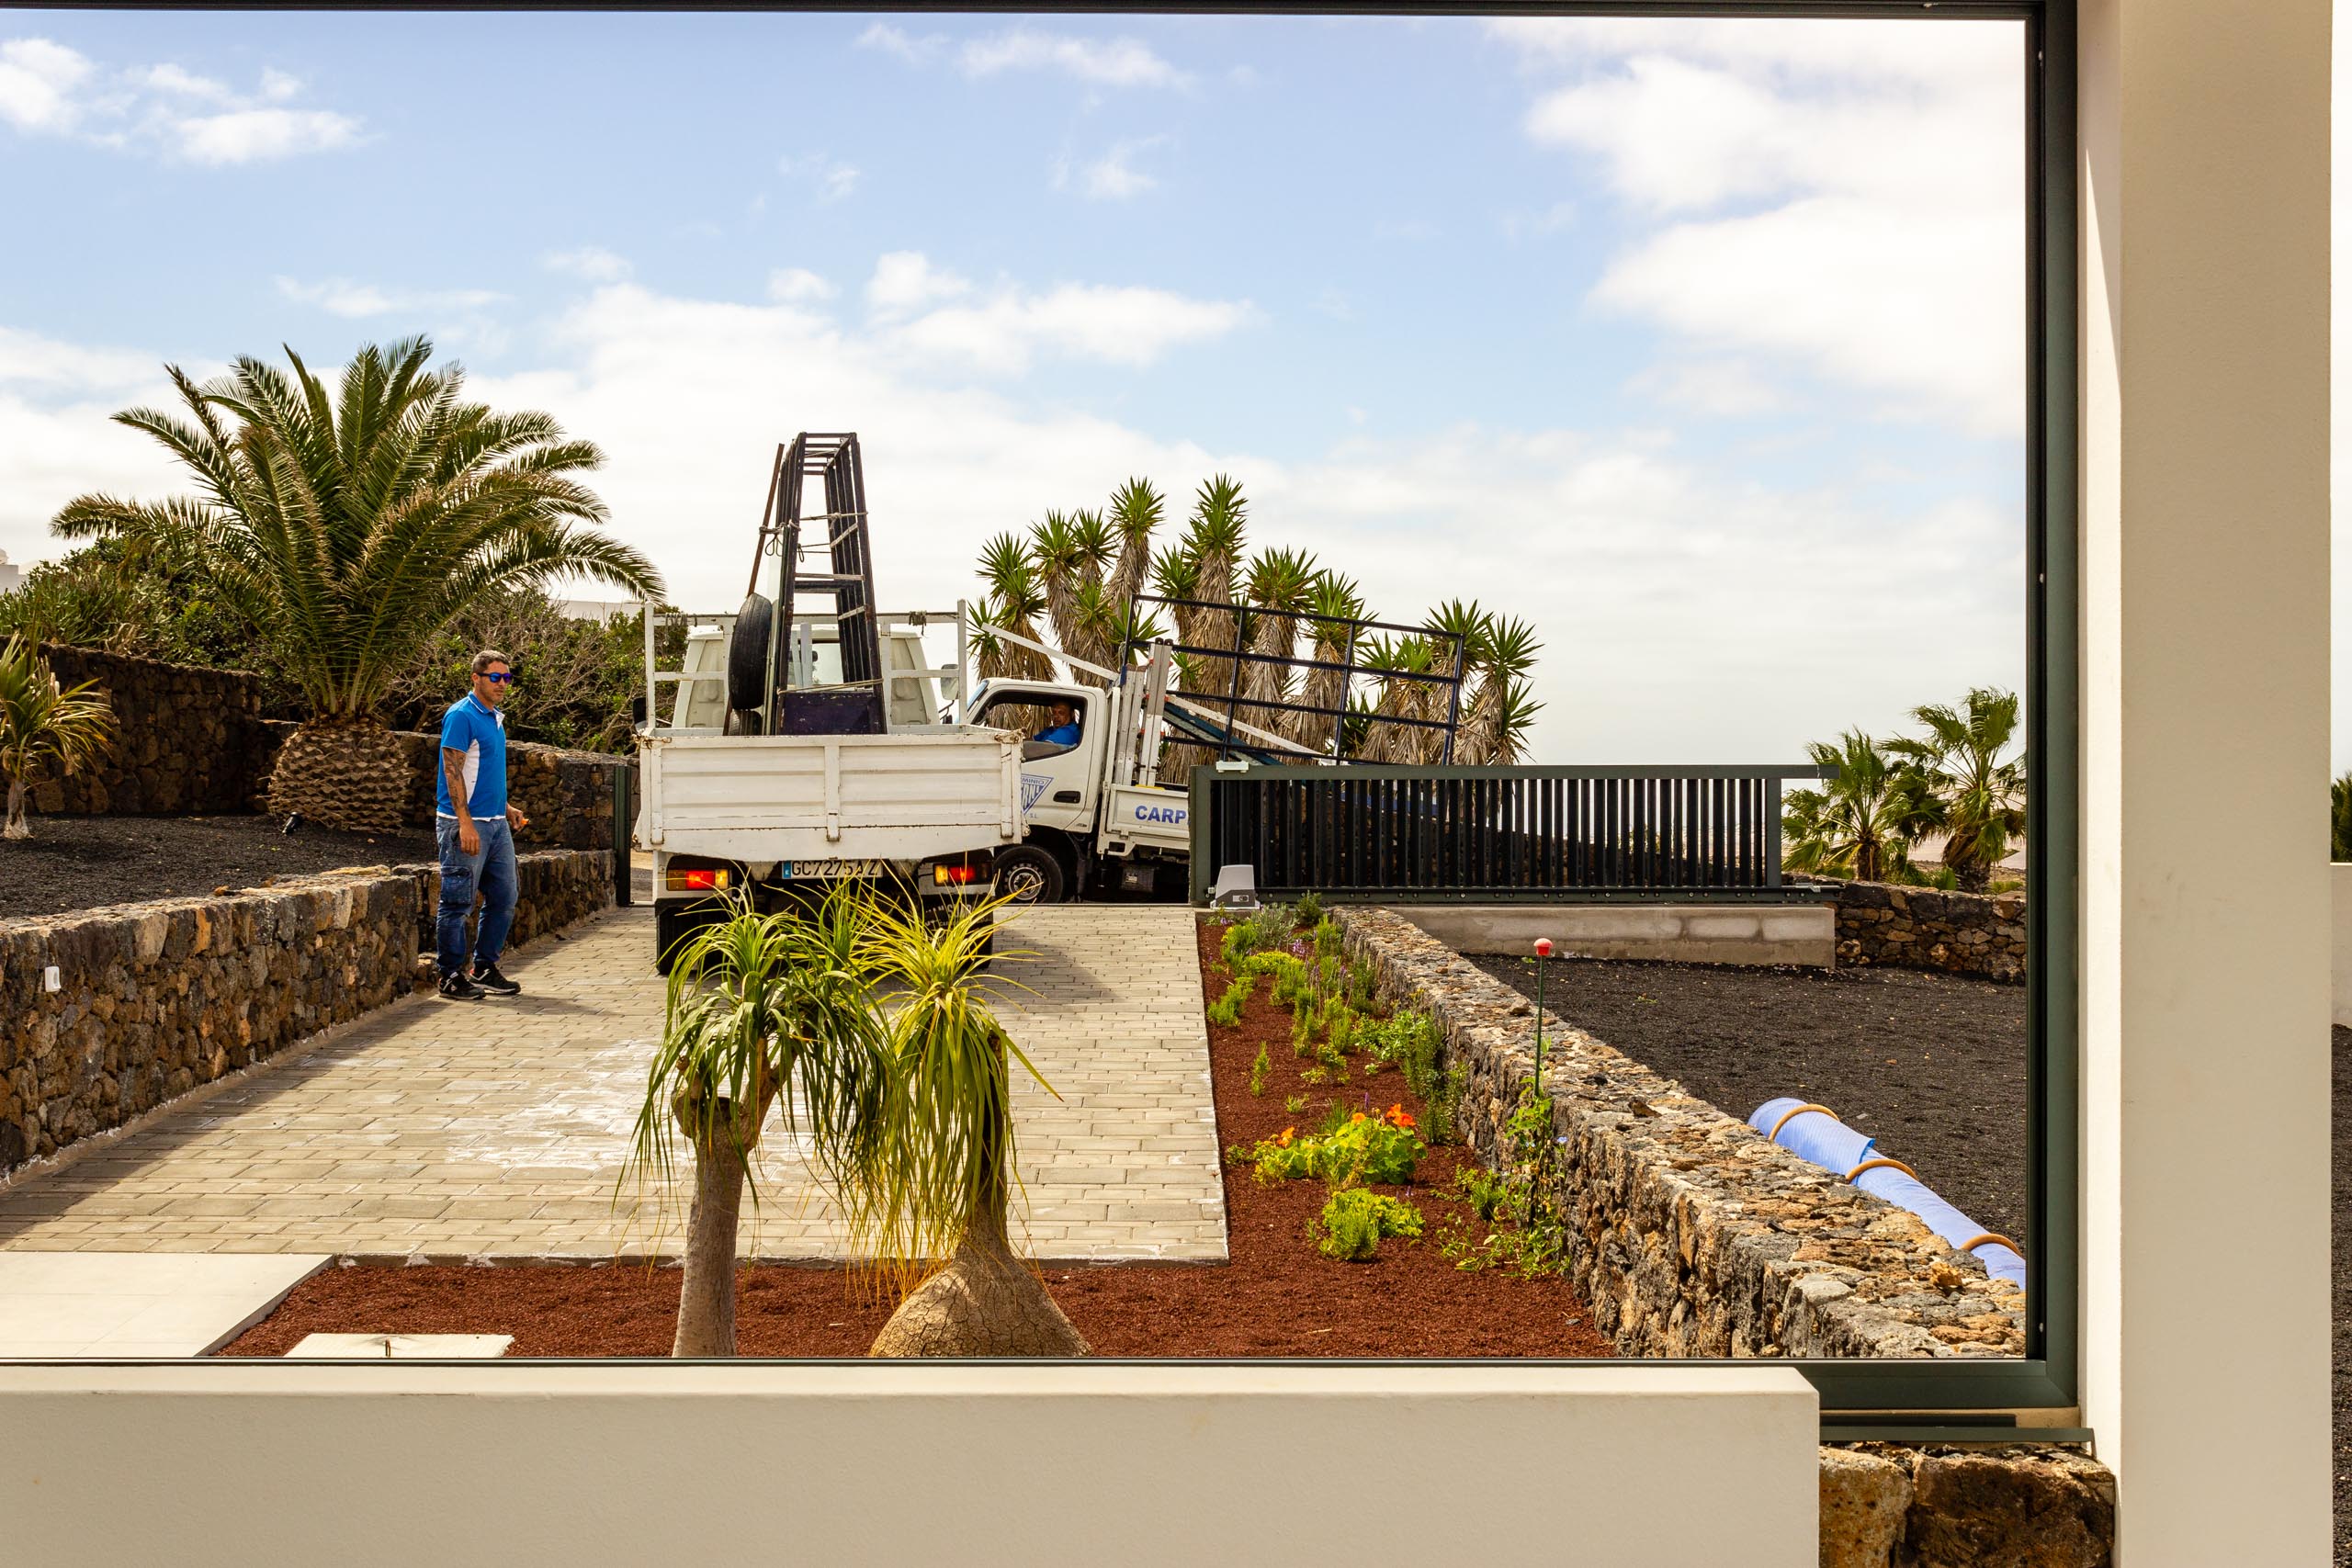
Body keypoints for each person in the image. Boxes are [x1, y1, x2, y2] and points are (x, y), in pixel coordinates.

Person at [435, 649, 530, 999]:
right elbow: (452, 770)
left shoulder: (494, 718)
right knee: (457, 902)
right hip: (465, 824)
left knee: (505, 897)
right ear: (476, 678)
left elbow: (483, 772)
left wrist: (506, 808)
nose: (503, 683)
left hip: (495, 823)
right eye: (495, 677)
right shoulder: (462, 715)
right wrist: (465, 823)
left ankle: (484, 968)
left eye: (507, 678)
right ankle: (449, 976)